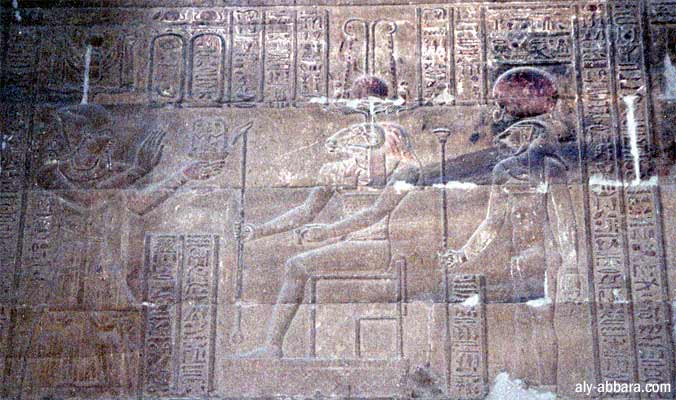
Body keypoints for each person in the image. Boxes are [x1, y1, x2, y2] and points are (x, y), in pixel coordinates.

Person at [239, 121, 421, 358]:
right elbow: (306, 211)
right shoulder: (337, 171)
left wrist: (327, 232)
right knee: (296, 265)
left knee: (297, 264)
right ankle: (271, 347)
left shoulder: (407, 169)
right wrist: (259, 230)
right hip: (349, 244)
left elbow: (376, 212)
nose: (362, 149)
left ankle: (272, 346)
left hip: (373, 247)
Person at [36, 104, 227, 308]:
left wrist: (183, 175)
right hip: (68, 258)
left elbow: (140, 204)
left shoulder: (114, 172)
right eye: (103, 132)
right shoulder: (51, 173)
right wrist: (138, 170)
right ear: (83, 135)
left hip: (102, 259)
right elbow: (87, 200)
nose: (109, 138)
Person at [442, 117, 582, 384]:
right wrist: (464, 254)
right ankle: (528, 381)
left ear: (528, 134)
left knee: (540, 318)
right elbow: (492, 222)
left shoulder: (548, 168)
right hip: (521, 256)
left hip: (544, 256)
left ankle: (546, 384)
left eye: (512, 135)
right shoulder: (506, 169)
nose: (504, 142)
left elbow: (564, 221)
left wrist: (572, 262)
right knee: (526, 318)